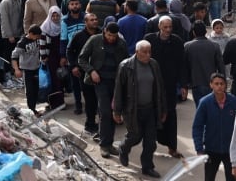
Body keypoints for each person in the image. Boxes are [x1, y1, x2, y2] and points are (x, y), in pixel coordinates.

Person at [113, 40, 166, 179]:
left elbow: (160, 88)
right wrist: (117, 111)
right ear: (137, 52)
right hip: (132, 110)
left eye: (149, 51)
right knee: (135, 136)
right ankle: (123, 149)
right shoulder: (125, 66)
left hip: (150, 110)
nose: (148, 55)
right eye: (144, 52)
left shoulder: (154, 64)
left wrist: (163, 110)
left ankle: (147, 167)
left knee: (150, 142)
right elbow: (118, 90)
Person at [78, 21, 129, 158]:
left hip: (116, 82)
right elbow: (82, 59)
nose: (111, 38)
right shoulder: (95, 40)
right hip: (100, 81)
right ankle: (104, 145)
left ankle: (109, 143)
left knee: (114, 112)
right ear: (104, 31)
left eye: (114, 36)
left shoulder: (121, 43)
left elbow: (126, 63)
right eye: (109, 35)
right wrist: (91, 71)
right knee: (105, 112)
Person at [145, 16, 187, 158]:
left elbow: (182, 64)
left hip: (169, 85)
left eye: (170, 27)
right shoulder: (149, 40)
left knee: (170, 115)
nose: (168, 30)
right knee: (151, 115)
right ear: (159, 27)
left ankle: (172, 147)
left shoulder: (177, 41)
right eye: (165, 27)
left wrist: (183, 85)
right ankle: (149, 147)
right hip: (151, 84)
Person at [192, 73, 236, 181]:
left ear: (225, 85)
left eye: (222, 84)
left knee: (232, 178)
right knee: (209, 178)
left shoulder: (233, 101)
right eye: (216, 83)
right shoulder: (204, 102)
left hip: (230, 150)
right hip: (211, 149)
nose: (219, 86)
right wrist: (199, 149)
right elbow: (197, 126)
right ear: (211, 85)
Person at [67, 13, 101, 133]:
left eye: (96, 19)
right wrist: (73, 66)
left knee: (102, 100)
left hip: (100, 72)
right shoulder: (78, 36)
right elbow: (70, 51)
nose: (95, 21)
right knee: (90, 99)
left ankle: (103, 125)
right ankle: (90, 124)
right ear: (85, 22)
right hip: (85, 72)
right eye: (92, 19)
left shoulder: (102, 34)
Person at [184, 21, 225, 106]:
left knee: (200, 108)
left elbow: (184, 67)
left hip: (195, 83)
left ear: (194, 32)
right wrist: (223, 83)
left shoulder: (187, 46)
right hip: (212, 83)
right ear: (206, 31)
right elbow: (221, 66)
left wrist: (184, 84)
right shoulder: (215, 46)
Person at [60, 0, 86, 114]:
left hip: (86, 52)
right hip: (72, 53)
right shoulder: (64, 20)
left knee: (87, 80)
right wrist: (63, 56)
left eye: (76, 4)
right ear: (68, 6)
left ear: (80, 5)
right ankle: (78, 104)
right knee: (75, 81)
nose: (75, 6)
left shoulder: (85, 17)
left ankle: (91, 103)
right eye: (72, 4)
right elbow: (63, 38)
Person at [12, 24, 45, 114]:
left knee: (35, 89)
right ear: (30, 33)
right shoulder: (22, 43)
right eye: (36, 36)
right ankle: (31, 109)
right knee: (29, 91)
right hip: (27, 70)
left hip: (36, 68)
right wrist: (16, 69)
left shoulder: (37, 40)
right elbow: (14, 57)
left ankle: (34, 108)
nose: (37, 38)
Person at [40, 6, 65, 108]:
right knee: (54, 79)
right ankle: (55, 102)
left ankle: (61, 101)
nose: (55, 18)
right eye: (53, 16)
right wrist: (44, 57)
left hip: (61, 55)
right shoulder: (45, 27)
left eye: (57, 15)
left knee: (62, 78)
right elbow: (42, 43)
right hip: (51, 57)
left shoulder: (63, 25)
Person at [0, 0, 25, 64]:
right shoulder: (5, 2)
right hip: (9, 35)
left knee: (16, 55)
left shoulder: (19, 0)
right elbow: (4, 20)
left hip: (18, 32)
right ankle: (7, 72)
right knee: (8, 54)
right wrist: (9, 35)